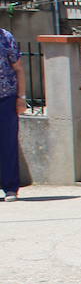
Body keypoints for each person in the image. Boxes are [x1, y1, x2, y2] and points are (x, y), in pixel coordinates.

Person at [0, 26, 22, 202]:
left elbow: (19, 69)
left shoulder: (6, 37)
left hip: (6, 98)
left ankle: (10, 188)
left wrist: (21, 98)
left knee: (8, 143)